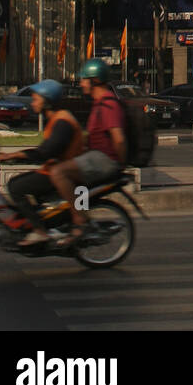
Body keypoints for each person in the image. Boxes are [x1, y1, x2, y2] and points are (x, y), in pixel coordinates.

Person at [0, 80, 84, 247]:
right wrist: (13, 157)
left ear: (46, 101)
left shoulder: (62, 122)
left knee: (16, 186)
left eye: (36, 99)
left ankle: (40, 231)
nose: (33, 102)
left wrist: (13, 156)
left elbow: (45, 152)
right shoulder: (56, 118)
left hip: (63, 173)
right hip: (54, 170)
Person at [49, 58, 126, 245]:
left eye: (84, 79)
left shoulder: (108, 105)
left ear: (95, 80)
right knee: (69, 177)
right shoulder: (99, 104)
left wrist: (120, 165)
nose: (81, 83)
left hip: (104, 159)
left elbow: (119, 139)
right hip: (96, 156)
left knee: (59, 173)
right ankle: (77, 219)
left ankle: (80, 221)